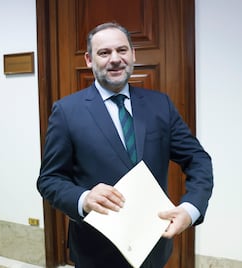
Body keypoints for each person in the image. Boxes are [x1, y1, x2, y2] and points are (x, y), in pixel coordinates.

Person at [37, 22, 213, 268]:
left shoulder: (160, 105)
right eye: (104, 52)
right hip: (96, 253)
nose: (115, 59)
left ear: (133, 55)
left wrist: (190, 209)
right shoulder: (66, 112)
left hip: (154, 247)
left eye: (122, 50)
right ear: (89, 59)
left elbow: (198, 159)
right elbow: (49, 180)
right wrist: (83, 198)